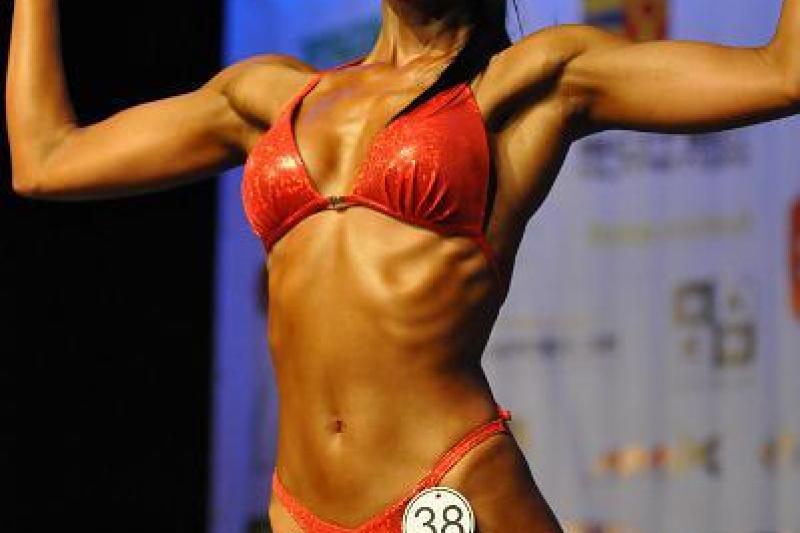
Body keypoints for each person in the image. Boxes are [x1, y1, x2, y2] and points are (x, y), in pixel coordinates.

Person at [7, 0, 799, 531]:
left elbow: (782, 73)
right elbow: (45, 158)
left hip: (448, 486)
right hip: (301, 510)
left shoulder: (530, 82)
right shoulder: (268, 97)